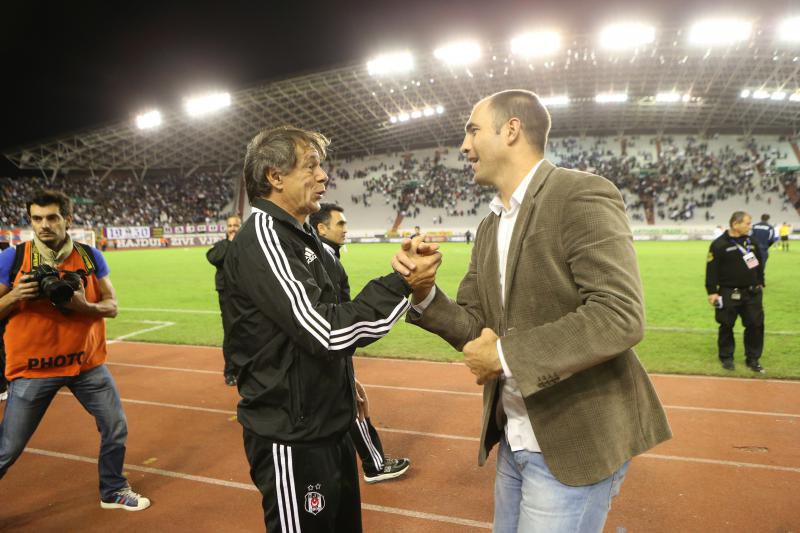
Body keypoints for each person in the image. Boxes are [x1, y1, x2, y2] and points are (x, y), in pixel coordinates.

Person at [393, 90, 671, 532]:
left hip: (573, 441)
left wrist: (504, 357)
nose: (464, 146)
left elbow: (619, 314)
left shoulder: (579, 194)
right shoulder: (489, 226)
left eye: (473, 130)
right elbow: (474, 325)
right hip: (514, 439)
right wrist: (425, 291)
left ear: (511, 130)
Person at [226, 126, 439, 532]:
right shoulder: (265, 237)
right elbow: (325, 331)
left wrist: (346, 381)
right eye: (311, 166)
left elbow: (329, 315)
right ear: (275, 176)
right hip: (293, 437)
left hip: (328, 424)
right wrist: (402, 282)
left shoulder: (302, 234)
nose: (324, 175)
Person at [0, 189, 150, 511]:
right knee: (7, 449)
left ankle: (112, 490)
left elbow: (111, 307)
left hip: (87, 366)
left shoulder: (90, 256)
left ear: (67, 219)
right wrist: (14, 296)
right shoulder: (13, 258)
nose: (44, 225)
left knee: (115, 426)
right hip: (33, 370)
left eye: (52, 217)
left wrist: (83, 306)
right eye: (37, 218)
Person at [309, 203, 411, 484]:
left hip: (329, 346)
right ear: (321, 228)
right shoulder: (324, 260)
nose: (345, 228)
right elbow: (335, 312)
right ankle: (373, 464)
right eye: (339, 223)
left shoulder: (325, 257)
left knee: (347, 405)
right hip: (332, 346)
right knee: (350, 406)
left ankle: (370, 463)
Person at [706, 211, 766, 372]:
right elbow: (711, 270)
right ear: (735, 224)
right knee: (726, 325)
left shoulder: (751, 242)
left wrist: (760, 281)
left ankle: (753, 359)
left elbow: (757, 264)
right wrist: (712, 291)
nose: (750, 226)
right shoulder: (719, 244)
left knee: (755, 325)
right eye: (747, 223)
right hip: (727, 292)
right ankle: (726, 358)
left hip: (752, 293)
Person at [206, 214, 242, 386]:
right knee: (231, 333)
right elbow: (213, 258)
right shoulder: (221, 246)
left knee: (250, 332)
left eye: (236, 225)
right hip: (227, 295)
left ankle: (245, 369)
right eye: (230, 225)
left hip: (247, 294)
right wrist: (231, 243)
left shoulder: (247, 245)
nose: (233, 228)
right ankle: (230, 371)